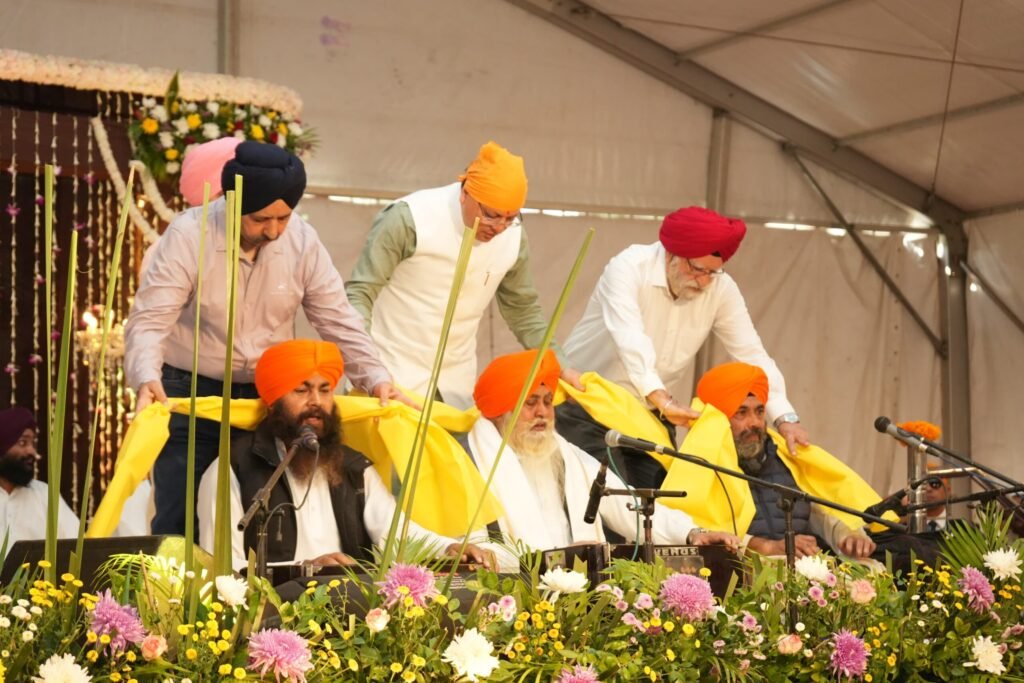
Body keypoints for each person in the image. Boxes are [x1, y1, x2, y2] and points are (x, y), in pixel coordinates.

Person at [125, 141, 403, 537]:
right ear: (231, 203)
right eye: (260, 219)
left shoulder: (302, 240)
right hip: (190, 394)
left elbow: (338, 318)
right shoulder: (188, 235)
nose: (273, 231)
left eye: (283, 218)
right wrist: (145, 375)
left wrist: (375, 376)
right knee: (181, 516)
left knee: (260, 512)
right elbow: (151, 319)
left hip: (267, 398)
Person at [558, 206, 809, 489]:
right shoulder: (628, 267)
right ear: (670, 254)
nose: (704, 281)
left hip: (648, 414)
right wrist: (663, 400)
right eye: (697, 269)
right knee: (608, 497)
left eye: (713, 272)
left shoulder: (721, 288)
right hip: (585, 404)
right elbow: (630, 338)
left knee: (661, 501)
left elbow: (751, 354)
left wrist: (785, 418)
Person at [197, 340, 488, 571]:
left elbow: (396, 532)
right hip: (269, 615)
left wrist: (447, 548)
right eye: (301, 390)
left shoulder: (352, 467)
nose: (316, 402)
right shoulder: (232, 470)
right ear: (273, 401)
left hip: (348, 614)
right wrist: (305, 569)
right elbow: (218, 567)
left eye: (325, 390)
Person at [345, 141, 577, 409]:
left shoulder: (514, 237)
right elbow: (359, 294)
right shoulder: (408, 218)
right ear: (465, 193)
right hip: (389, 377)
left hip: (456, 386)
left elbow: (523, 311)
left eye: (510, 218)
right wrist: (369, 369)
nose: (499, 227)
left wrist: (562, 366)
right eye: (491, 215)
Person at [462, 349, 738, 571]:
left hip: (577, 594)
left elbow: (630, 506)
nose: (542, 412)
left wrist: (692, 533)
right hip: (507, 598)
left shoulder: (569, 458)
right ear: (500, 410)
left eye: (547, 401)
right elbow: (468, 544)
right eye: (530, 402)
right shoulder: (471, 462)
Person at [694, 363, 874, 560]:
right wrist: (765, 547)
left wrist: (849, 534)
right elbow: (699, 530)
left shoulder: (787, 459)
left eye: (759, 411)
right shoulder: (699, 467)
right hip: (740, 570)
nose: (754, 423)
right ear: (717, 418)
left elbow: (821, 512)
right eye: (741, 413)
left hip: (805, 568)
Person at [0, 407, 79, 560]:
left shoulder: (44, 494)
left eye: (32, 443)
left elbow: (77, 545)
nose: (31, 451)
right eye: (23, 442)